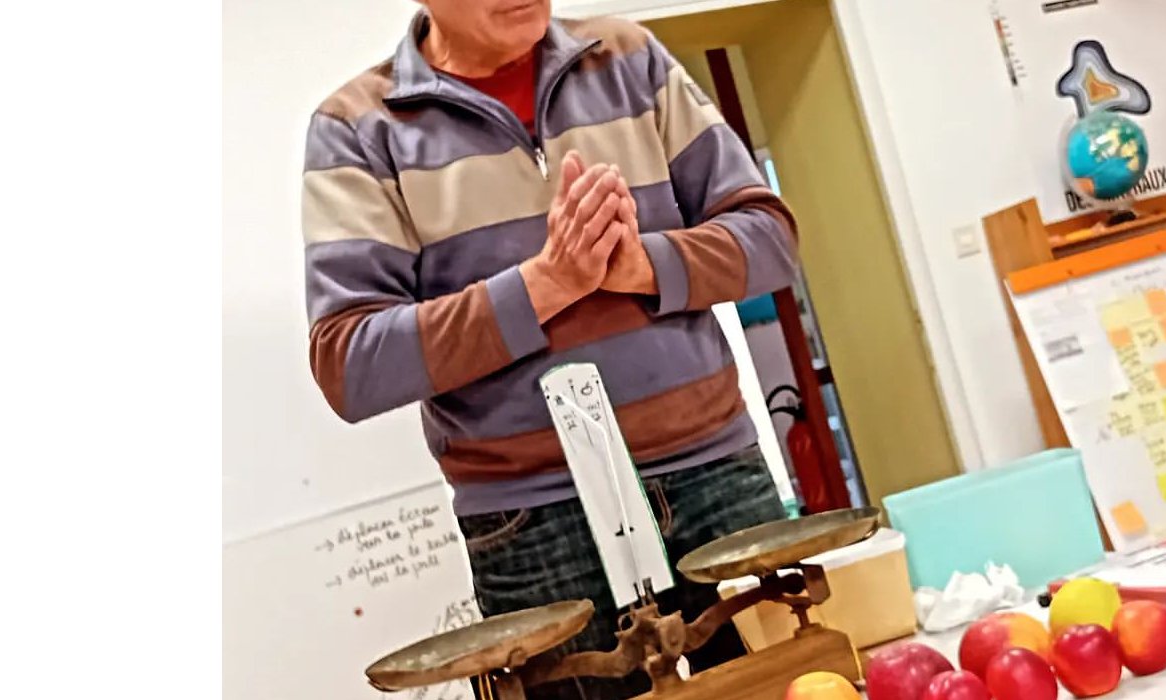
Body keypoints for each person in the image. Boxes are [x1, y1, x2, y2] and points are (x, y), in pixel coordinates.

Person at [297, 1, 799, 697]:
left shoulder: (628, 58)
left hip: (716, 472)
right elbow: (352, 366)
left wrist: (642, 266)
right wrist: (546, 285)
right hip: (531, 522)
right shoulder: (357, 128)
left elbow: (771, 243)